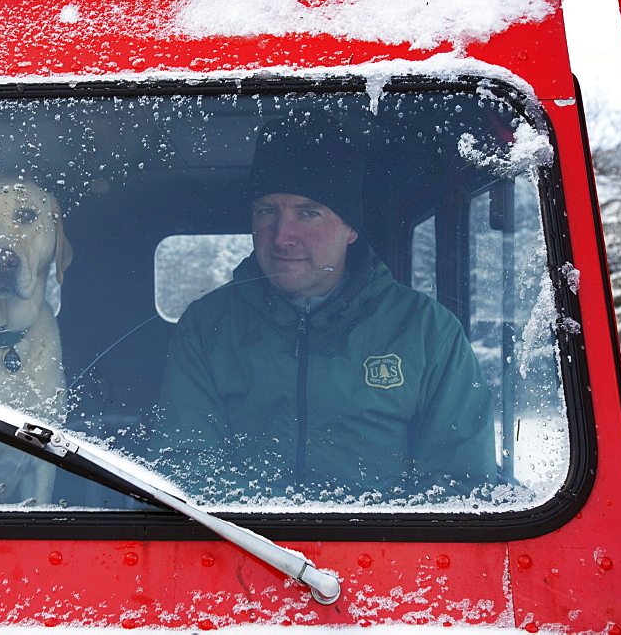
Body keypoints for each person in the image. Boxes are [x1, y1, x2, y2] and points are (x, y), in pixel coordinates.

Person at [153, 112, 497, 505]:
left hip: (384, 560)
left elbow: (462, 485)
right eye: (267, 210)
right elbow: (181, 470)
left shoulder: (427, 331)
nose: (282, 236)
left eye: (308, 212)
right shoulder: (207, 325)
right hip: (233, 554)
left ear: (350, 228)